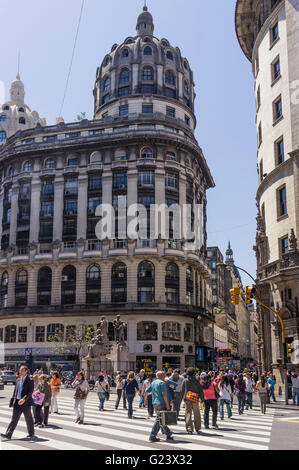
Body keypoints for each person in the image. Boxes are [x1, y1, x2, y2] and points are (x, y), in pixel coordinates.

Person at [1, 365, 36, 441]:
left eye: (22, 370)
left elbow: (30, 392)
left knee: (28, 418)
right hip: (17, 402)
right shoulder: (18, 380)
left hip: (25, 403)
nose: (20, 372)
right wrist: (12, 402)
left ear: (26, 371)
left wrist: (24, 399)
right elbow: (15, 392)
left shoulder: (30, 379)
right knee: (14, 419)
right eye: (20, 370)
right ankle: (8, 434)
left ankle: (31, 433)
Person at [145, 371, 174, 443]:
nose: (165, 377)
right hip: (162, 403)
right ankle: (152, 436)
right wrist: (167, 405)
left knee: (161, 419)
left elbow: (146, 390)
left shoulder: (153, 382)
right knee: (159, 420)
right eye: (164, 375)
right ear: (161, 376)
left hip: (155, 403)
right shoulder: (162, 383)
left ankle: (168, 433)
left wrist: (145, 399)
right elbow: (164, 395)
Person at [181, 367, 204, 434]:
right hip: (195, 398)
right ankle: (197, 428)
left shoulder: (185, 380)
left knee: (188, 413)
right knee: (196, 413)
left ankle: (189, 429)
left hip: (187, 399)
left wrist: (182, 398)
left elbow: (182, 390)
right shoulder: (196, 380)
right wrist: (202, 399)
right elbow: (200, 390)